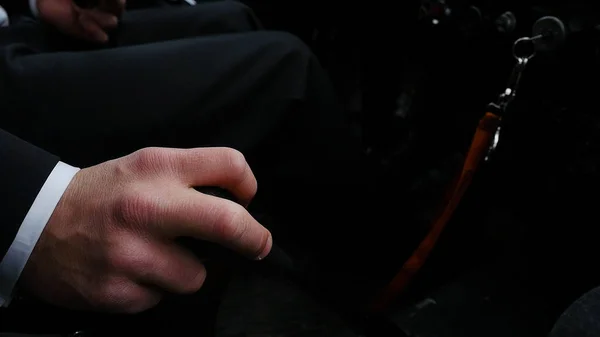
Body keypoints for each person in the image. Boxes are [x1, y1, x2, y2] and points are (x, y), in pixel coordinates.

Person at [0, 0, 395, 335]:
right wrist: (34, 208)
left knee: (233, 17)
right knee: (286, 68)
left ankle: (294, 233)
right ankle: (378, 267)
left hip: (17, 28)